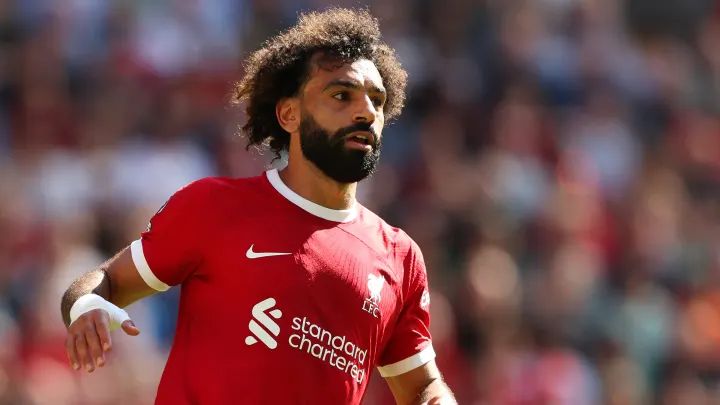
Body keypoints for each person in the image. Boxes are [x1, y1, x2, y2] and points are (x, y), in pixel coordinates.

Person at [61, 8, 456, 405]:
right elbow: (104, 281)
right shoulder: (214, 207)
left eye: (377, 101)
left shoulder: (400, 257)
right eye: (341, 95)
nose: (366, 112)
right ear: (289, 114)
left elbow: (421, 387)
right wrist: (87, 305)